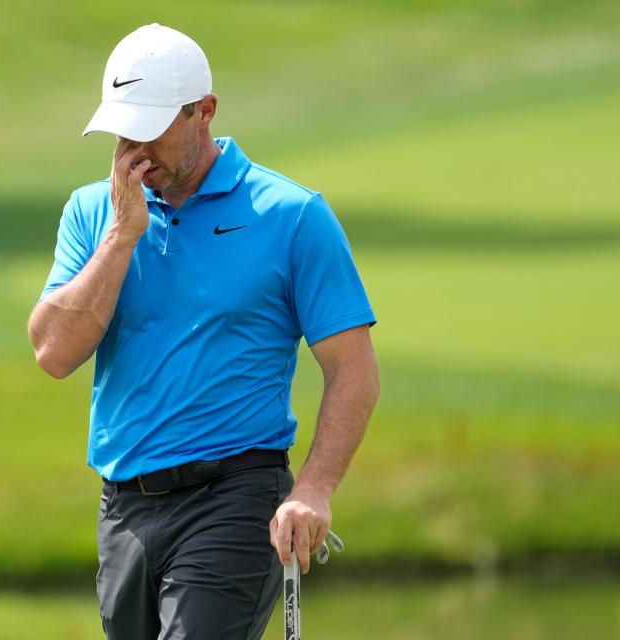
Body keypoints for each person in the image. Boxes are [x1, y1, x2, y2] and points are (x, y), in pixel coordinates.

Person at [27, 23, 380, 640]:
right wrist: (120, 236)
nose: (135, 148)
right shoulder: (91, 212)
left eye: (153, 127)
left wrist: (316, 489)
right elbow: (54, 354)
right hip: (125, 506)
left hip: (237, 495)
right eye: (123, 130)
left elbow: (353, 368)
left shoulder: (292, 215)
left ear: (204, 112)